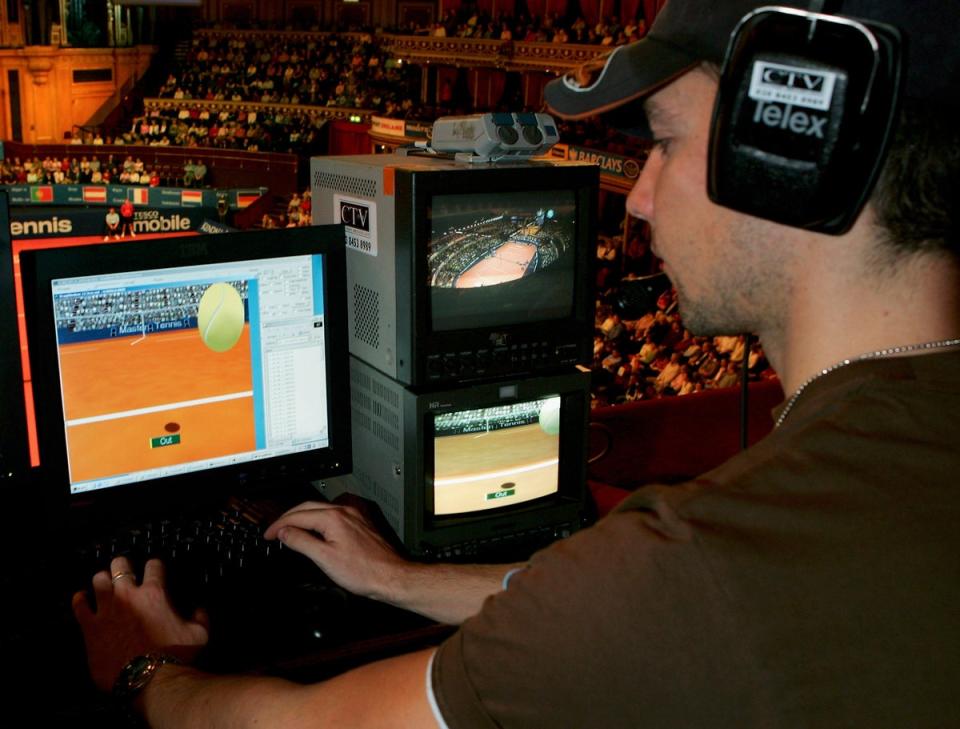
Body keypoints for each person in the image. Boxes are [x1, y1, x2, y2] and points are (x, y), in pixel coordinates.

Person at [70, 1, 960, 727]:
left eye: (663, 139)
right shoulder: (869, 477)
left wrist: (145, 668)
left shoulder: (707, 563)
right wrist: (403, 579)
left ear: (791, 155)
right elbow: (611, 600)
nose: (639, 198)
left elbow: (315, 726)